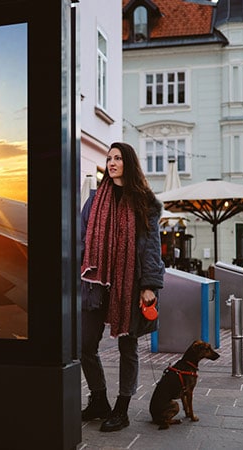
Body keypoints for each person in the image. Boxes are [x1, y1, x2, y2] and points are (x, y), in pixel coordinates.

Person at [79, 142, 165, 432]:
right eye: (109, 158)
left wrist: (150, 285)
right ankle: (99, 399)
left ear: (128, 162)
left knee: (128, 346)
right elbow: (81, 240)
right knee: (85, 344)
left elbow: (151, 248)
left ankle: (122, 407)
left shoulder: (143, 202)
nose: (112, 162)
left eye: (118, 158)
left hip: (130, 283)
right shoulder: (94, 201)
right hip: (96, 284)